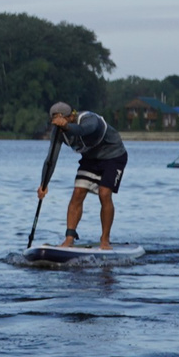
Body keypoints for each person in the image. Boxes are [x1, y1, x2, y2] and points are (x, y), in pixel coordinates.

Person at [44, 100, 129, 248]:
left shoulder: (89, 119)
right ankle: (69, 239)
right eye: (55, 121)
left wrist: (67, 126)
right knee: (78, 192)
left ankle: (105, 240)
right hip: (90, 158)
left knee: (104, 193)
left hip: (113, 155)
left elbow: (83, 130)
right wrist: (43, 184)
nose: (58, 125)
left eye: (61, 120)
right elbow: (51, 159)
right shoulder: (58, 132)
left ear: (71, 117)